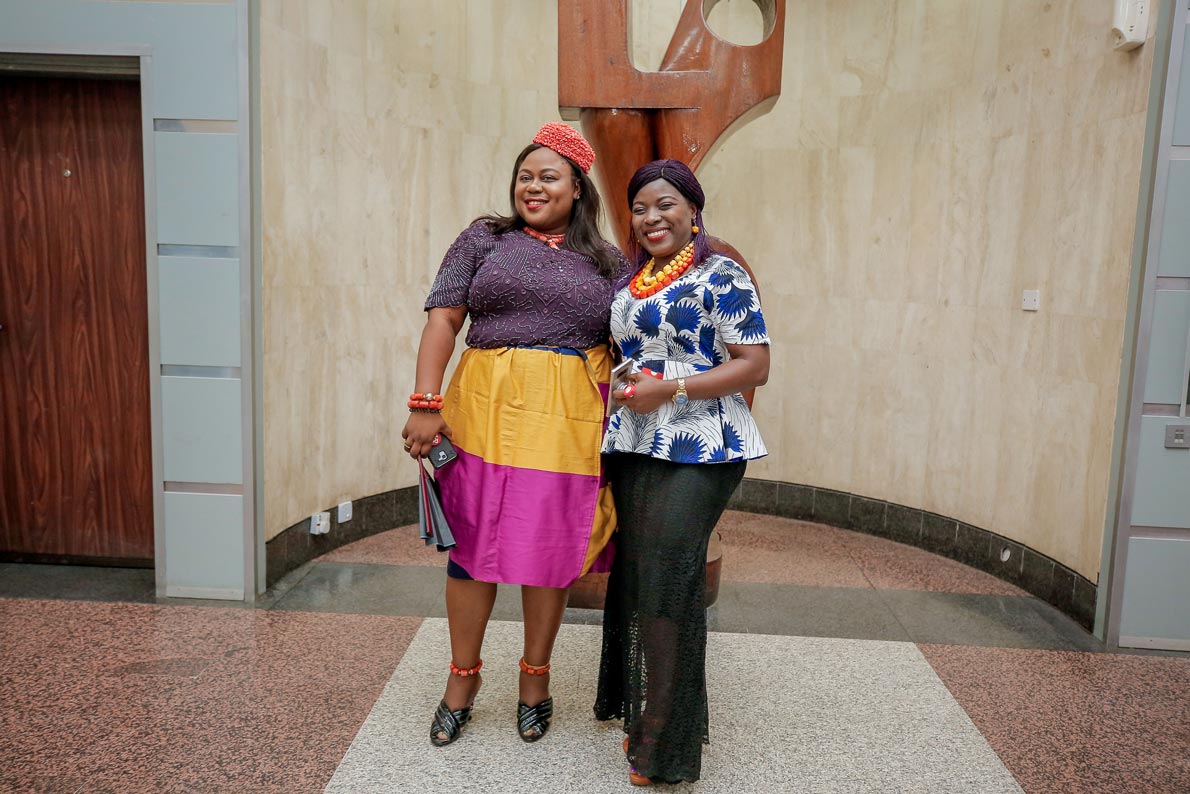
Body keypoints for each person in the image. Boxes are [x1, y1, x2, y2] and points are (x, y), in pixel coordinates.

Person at [402, 123, 630, 747]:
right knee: (471, 552)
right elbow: (444, 319)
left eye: (548, 176)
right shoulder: (485, 237)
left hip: (565, 425)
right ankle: (462, 679)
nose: (533, 186)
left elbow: (632, 346)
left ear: (578, 188)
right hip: (481, 414)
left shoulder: (609, 262)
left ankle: (535, 680)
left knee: (548, 553)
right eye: (524, 176)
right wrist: (425, 402)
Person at [595, 159, 770, 785]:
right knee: (641, 576)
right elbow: (630, 354)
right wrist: (623, 386)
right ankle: (645, 708)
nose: (652, 217)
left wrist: (669, 388)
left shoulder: (721, 273)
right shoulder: (633, 279)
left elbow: (754, 364)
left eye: (665, 204)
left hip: (704, 444)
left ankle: (666, 738)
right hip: (636, 440)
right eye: (640, 208)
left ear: (693, 210)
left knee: (669, 578)